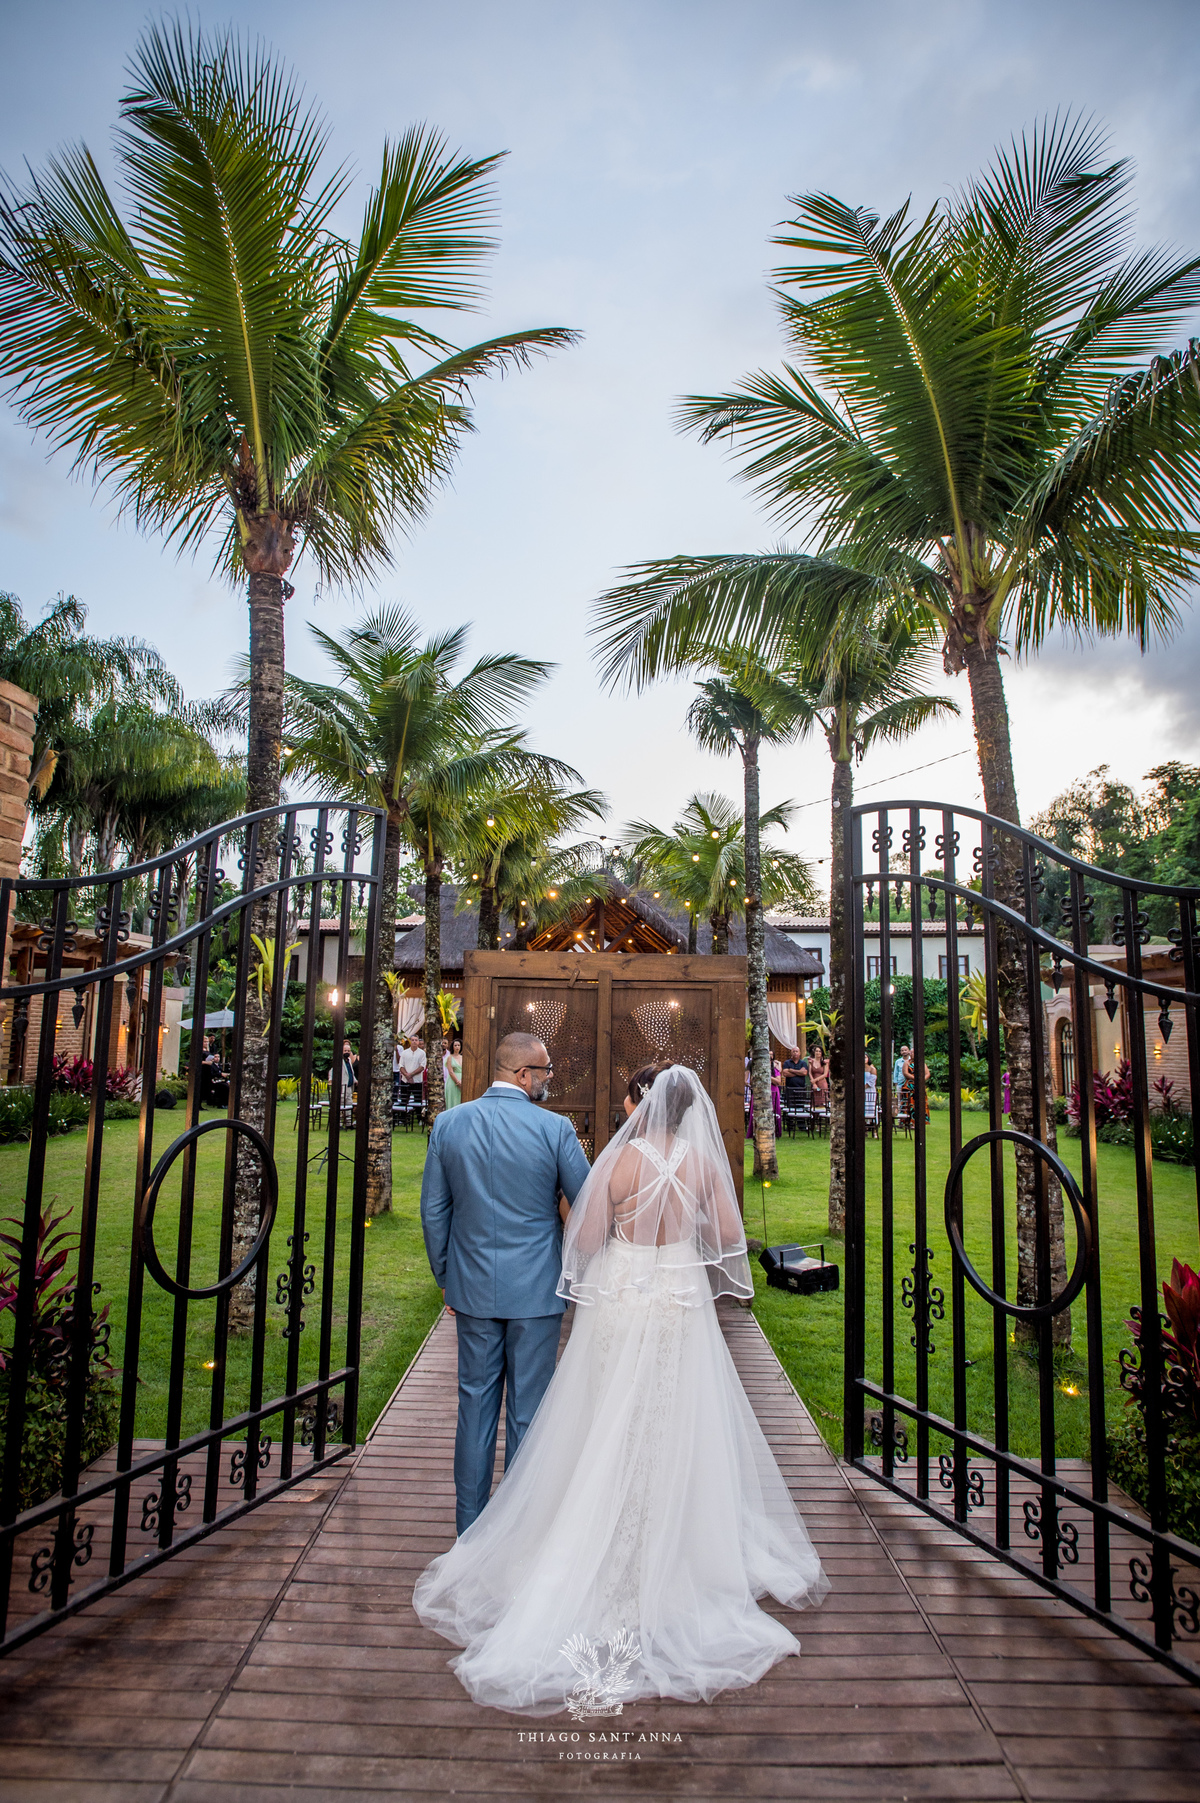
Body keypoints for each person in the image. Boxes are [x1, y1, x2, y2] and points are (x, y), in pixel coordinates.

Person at [413, 1062, 829, 1715]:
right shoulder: (700, 1162)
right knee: (677, 1418)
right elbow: (726, 1237)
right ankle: (681, 1549)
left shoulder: (621, 1159)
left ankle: (550, 1530)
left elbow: (584, 1233)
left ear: (641, 1101)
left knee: (603, 1417)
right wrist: (680, 1230)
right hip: (680, 1299)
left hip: (626, 1300)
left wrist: (624, 1236)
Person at [419, 1032, 591, 1537]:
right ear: (522, 1075)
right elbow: (586, 1206)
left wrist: (447, 1278)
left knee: (474, 1404)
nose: (548, 1080)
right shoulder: (555, 1129)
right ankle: (517, 1534)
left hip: (472, 1288)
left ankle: (469, 1531)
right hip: (537, 1291)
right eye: (545, 1072)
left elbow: (434, 1212)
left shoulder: (448, 1125)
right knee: (527, 1412)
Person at [443, 1037, 463, 1109]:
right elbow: (450, 1072)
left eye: (459, 1045)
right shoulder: (450, 1058)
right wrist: (457, 1082)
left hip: (462, 1080)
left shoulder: (463, 1058)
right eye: (455, 1045)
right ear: (453, 1047)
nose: (457, 1047)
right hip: (453, 1081)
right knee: (452, 1100)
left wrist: (462, 1081)